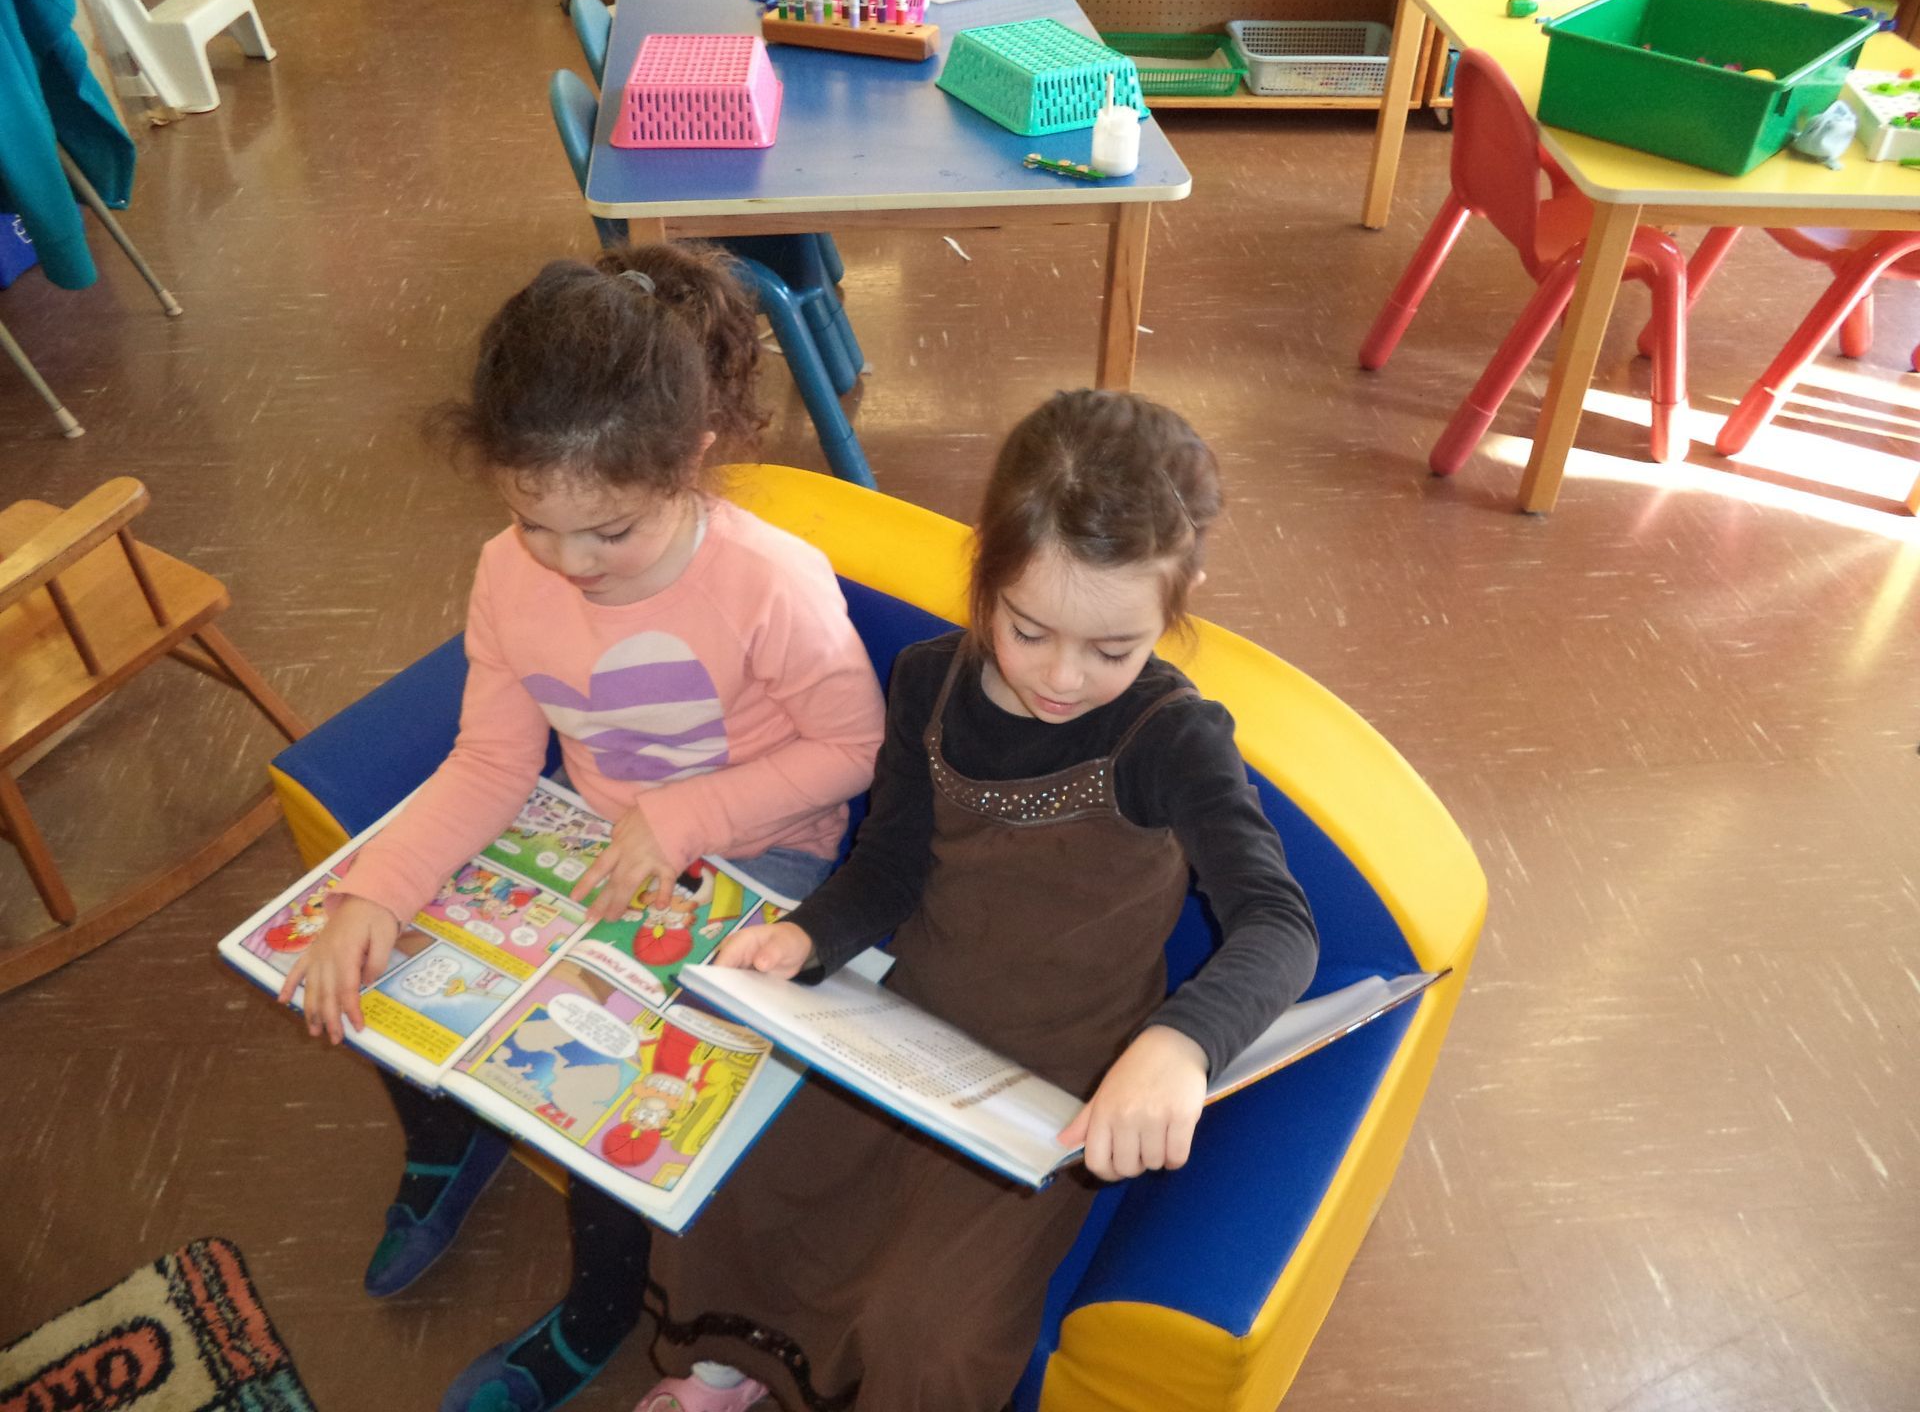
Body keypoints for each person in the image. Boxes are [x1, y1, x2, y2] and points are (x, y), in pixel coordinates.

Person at [278, 242, 887, 1412]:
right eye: (532, 521)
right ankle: (448, 1140)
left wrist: (682, 816)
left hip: (754, 856)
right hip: (576, 832)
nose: (568, 563)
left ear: (691, 459)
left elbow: (851, 752)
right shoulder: (508, 573)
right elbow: (495, 757)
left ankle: (604, 1305)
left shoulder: (770, 580)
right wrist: (378, 889)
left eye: (609, 531)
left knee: (611, 1086)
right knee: (391, 955)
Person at [638, 389, 1320, 1412]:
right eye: (1029, 629)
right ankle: (731, 1372)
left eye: (1114, 649)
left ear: (1178, 605)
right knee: (733, 1173)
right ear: (985, 573)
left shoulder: (1172, 739)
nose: (1061, 677)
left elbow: (1280, 924)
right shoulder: (928, 682)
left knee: (938, 1327)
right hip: (904, 1020)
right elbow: (890, 863)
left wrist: (1178, 1046)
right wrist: (807, 934)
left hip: (1061, 1077)